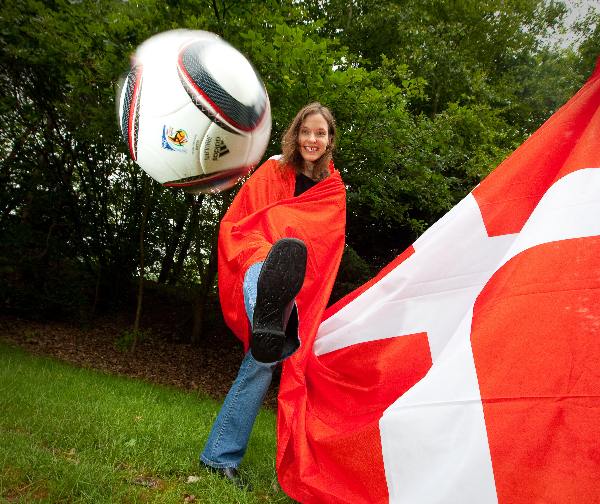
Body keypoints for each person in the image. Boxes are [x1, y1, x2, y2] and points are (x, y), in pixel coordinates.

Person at [199, 102, 347, 489]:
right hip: (253, 255)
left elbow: (326, 247)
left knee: (261, 362)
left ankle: (219, 456)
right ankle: (264, 311)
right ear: (295, 134)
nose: (312, 140)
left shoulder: (333, 189)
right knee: (265, 262)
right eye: (306, 132)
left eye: (320, 133)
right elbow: (242, 220)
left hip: (296, 285)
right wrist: (274, 239)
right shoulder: (274, 170)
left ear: (329, 140)